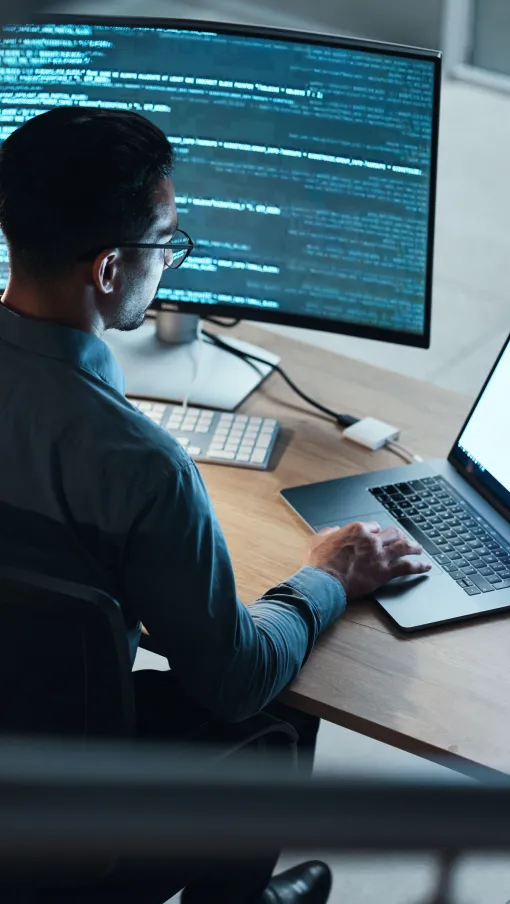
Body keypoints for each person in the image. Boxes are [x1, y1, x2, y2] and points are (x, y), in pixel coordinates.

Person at [0, 107, 431, 904]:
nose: (169, 260)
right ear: (108, 270)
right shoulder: (144, 467)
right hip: (66, 823)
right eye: (165, 242)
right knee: (275, 709)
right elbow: (235, 679)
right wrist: (327, 575)